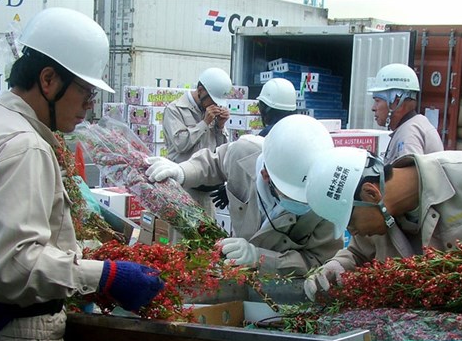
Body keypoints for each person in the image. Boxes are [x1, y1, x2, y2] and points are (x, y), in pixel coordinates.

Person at [0, 8, 163, 341]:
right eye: (86, 94)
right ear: (49, 80)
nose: (88, 108)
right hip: (15, 340)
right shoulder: (23, 146)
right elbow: (15, 265)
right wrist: (106, 275)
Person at [303, 147, 462, 301]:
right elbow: (357, 252)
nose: (352, 231)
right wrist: (336, 265)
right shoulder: (379, 220)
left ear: (371, 194)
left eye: (350, 222)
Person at [146, 115, 344, 276]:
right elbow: (213, 162)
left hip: (284, 285)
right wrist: (182, 171)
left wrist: (260, 258)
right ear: (266, 175)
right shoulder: (245, 153)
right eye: (292, 196)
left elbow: (319, 260)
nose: (302, 202)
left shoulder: (327, 206)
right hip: (237, 273)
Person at [209, 77, 298, 210]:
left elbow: (253, 173)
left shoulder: (268, 136)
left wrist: (231, 189)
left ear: (266, 109)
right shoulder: (300, 130)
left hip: (273, 208)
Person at [162, 67, 233, 216]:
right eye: (212, 100)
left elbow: (220, 152)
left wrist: (220, 127)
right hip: (183, 189)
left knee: (207, 236)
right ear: (200, 90)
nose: (214, 105)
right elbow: (180, 144)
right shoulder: (175, 109)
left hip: (207, 190)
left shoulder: (212, 110)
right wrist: (204, 123)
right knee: (182, 236)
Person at [369, 63, 444, 164]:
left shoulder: (408, 135)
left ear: (397, 102)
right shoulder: (414, 125)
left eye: (377, 100)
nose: (373, 108)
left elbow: (410, 178)